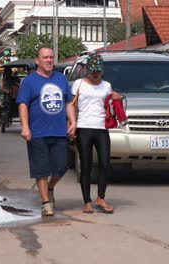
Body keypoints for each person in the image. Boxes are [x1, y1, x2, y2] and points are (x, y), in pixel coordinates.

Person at [16, 47, 76, 216]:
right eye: (45, 58)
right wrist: (25, 126)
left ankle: (50, 187)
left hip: (59, 131)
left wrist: (73, 121)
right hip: (37, 133)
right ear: (37, 61)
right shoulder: (29, 81)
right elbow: (23, 105)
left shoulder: (61, 79)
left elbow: (69, 102)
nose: (49, 60)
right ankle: (45, 203)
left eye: (51, 57)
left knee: (61, 166)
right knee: (41, 169)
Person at [71, 53, 118, 214]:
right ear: (87, 70)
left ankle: (101, 198)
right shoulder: (78, 84)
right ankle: (87, 201)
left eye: (98, 71)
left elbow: (112, 106)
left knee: (105, 163)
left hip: (101, 128)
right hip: (84, 127)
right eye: (92, 71)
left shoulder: (107, 86)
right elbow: (71, 105)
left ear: (102, 71)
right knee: (86, 165)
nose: (95, 74)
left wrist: (117, 98)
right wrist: (71, 124)